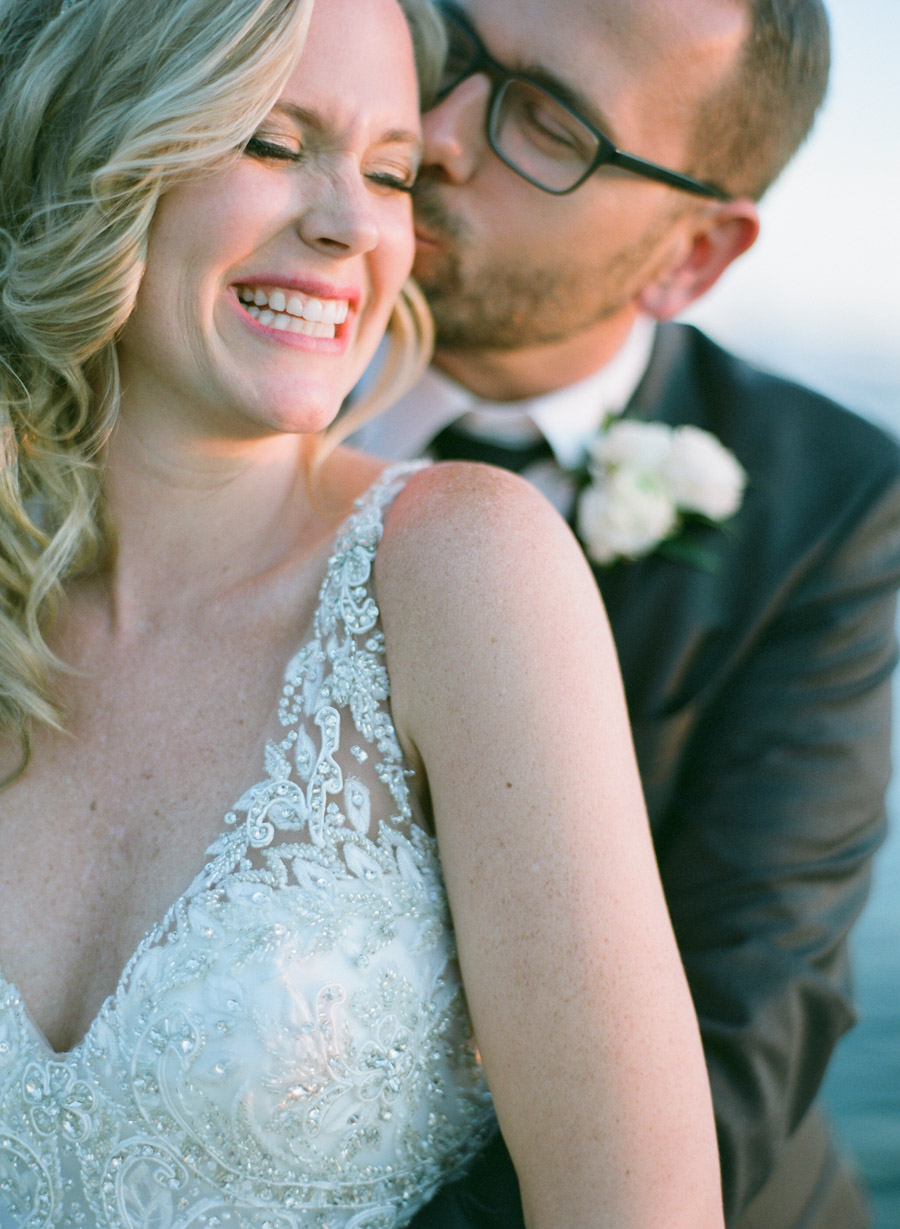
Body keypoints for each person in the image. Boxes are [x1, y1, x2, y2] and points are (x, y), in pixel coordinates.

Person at [0, 0, 727, 1225]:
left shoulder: (463, 570)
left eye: (390, 172)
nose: (351, 225)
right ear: (92, 146)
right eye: (273, 145)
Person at [350, 1, 900, 1227]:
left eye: (545, 122)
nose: (434, 132)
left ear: (691, 254)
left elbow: (739, 1023)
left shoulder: (828, 497)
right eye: (451, 50)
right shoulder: (211, 354)